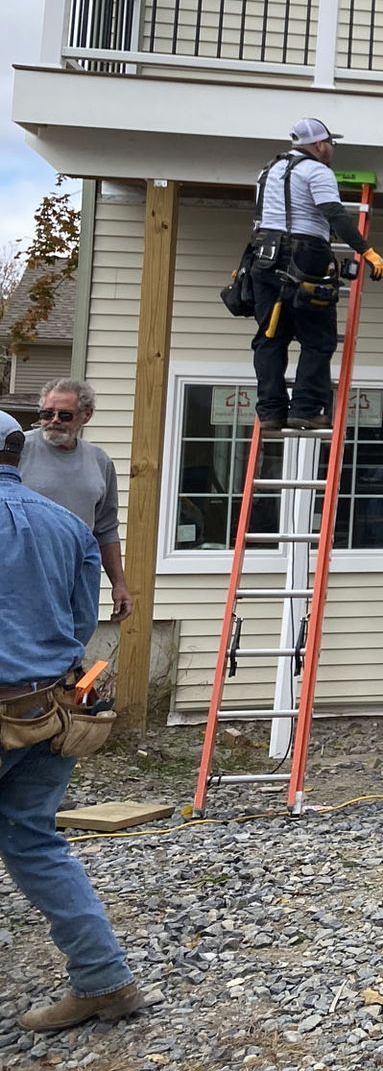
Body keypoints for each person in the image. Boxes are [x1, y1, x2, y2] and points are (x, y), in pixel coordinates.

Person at [0, 409, 145, 1032]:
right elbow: (81, 622)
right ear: (18, 452)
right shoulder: (65, 525)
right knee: (35, 841)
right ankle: (105, 980)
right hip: (50, 709)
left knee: (34, 841)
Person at [249, 118, 383, 433]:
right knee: (318, 338)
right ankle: (305, 410)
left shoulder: (267, 171)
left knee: (271, 336)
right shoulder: (317, 172)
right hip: (305, 256)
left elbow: (260, 215)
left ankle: (271, 412)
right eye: (330, 144)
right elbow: (334, 213)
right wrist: (365, 251)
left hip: (264, 255)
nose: (332, 149)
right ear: (319, 144)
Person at [20, 379, 130, 622]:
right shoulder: (17, 449)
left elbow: (106, 529)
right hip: (25, 573)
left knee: (77, 635)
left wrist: (119, 584)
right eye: (47, 414)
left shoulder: (100, 461)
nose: (54, 420)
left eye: (65, 415)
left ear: (86, 416)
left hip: (78, 574)